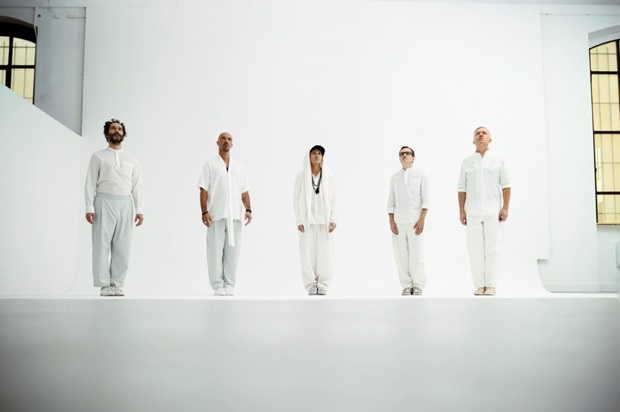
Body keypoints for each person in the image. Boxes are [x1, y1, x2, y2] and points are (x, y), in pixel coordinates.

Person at [84, 118, 144, 297]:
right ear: (106, 133)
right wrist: (89, 207)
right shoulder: (98, 156)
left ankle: (117, 283)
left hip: (126, 203)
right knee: (101, 244)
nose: (116, 131)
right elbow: (90, 183)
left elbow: (137, 185)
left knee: (123, 245)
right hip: (103, 201)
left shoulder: (132, 159)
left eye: (119, 129)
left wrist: (139, 209)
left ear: (123, 134)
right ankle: (104, 285)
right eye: (112, 128)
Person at [458, 126, 511, 296]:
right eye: (477, 133)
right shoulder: (467, 162)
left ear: (490, 139)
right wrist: (462, 211)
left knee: (493, 249)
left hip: (493, 211)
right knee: (475, 250)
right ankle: (480, 285)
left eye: (484, 133)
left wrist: (505, 207)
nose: (481, 135)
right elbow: (462, 188)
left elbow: (506, 185)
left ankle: (491, 285)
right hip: (472, 212)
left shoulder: (499, 159)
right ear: (473, 140)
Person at [198, 132, 252, 296]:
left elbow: (244, 191)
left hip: (235, 215)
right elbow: (203, 189)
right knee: (214, 251)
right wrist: (204, 212)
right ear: (217, 142)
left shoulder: (239, 167)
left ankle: (229, 284)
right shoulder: (210, 165)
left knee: (232, 253)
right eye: (223, 138)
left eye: (229, 139)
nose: (226, 141)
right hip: (216, 214)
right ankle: (217, 285)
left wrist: (248, 209)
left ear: (232, 144)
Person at [293, 145, 337, 295]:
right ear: (309, 156)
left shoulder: (329, 176)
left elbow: (334, 199)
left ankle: (323, 283)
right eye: (314, 153)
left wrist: (333, 219)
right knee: (307, 253)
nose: (317, 155)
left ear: (322, 157)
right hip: (307, 222)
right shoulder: (302, 176)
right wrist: (299, 220)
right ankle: (311, 284)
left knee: (325, 253)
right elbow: (295, 199)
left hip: (324, 222)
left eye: (319, 153)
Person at [387, 146, 429, 296]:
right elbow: (391, 201)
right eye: (402, 154)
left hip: (415, 221)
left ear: (413, 157)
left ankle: (418, 284)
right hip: (399, 221)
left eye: (408, 153)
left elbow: (426, 200)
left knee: (416, 254)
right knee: (401, 255)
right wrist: (391, 221)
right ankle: (406, 284)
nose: (404, 155)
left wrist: (422, 219)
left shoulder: (421, 175)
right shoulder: (395, 177)